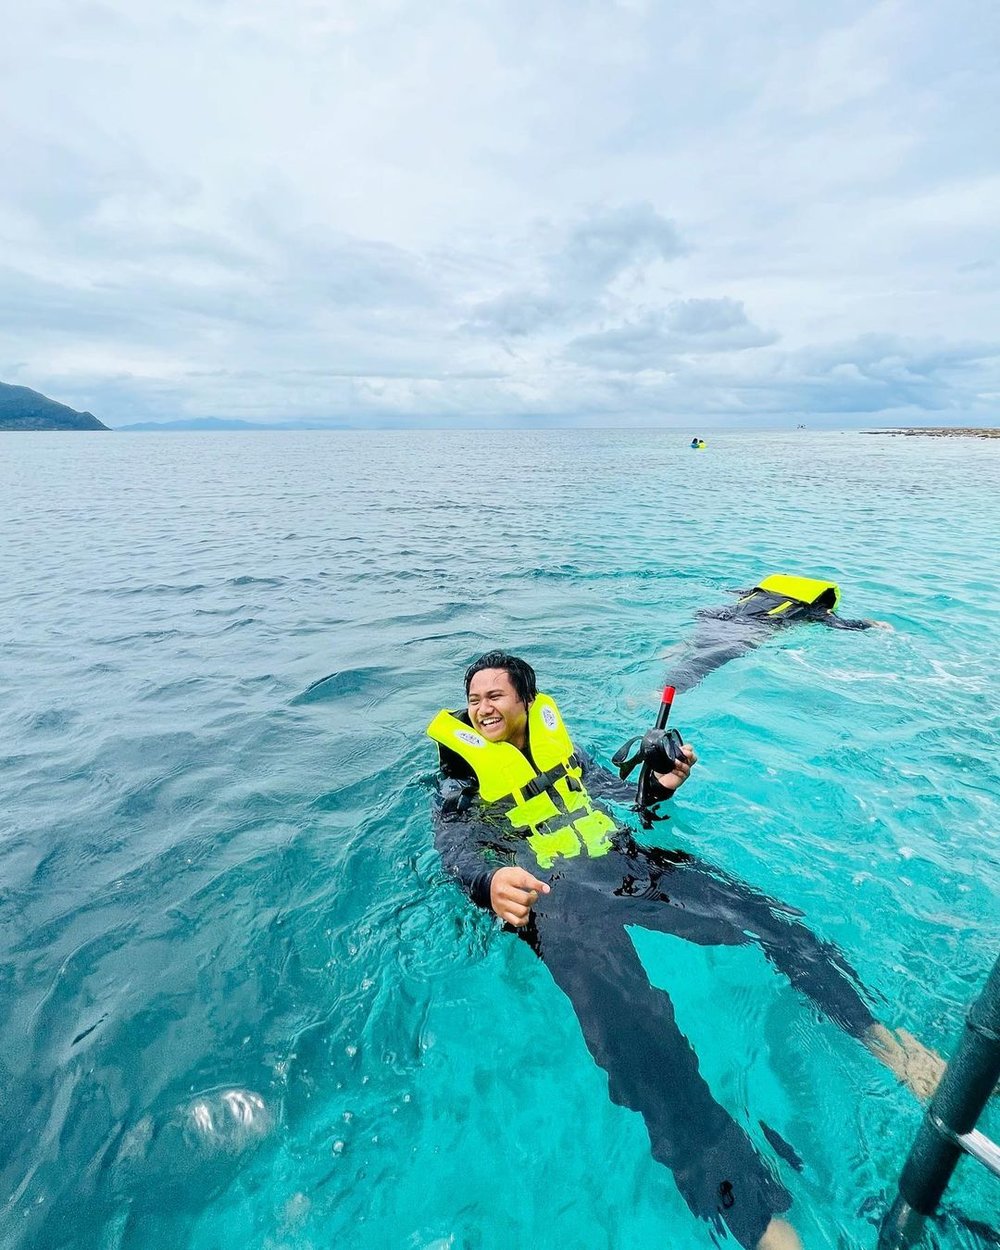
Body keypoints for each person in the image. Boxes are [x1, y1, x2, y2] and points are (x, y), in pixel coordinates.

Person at [428, 651, 943, 1250]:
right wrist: (488, 884)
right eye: (475, 699)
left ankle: (888, 1045)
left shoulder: (560, 747)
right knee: (639, 1041)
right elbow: (454, 843)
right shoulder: (459, 777)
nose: (483, 708)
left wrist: (657, 789)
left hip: (619, 864)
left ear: (526, 699)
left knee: (765, 920)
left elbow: (619, 800)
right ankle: (756, 1218)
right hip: (553, 898)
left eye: (496, 696)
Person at [666, 575, 893, 693]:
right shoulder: (816, 609)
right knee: (710, 660)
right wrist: (872, 623)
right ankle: (662, 693)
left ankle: (672, 652)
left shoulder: (760, 592)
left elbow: (731, 590)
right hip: (751, 629)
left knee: (694, 644)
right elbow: (842, 625)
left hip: (719, 615)